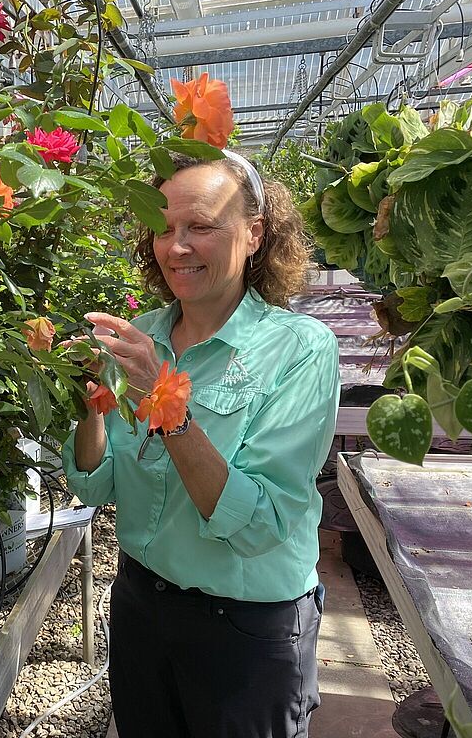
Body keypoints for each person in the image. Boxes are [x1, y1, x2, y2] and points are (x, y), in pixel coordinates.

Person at [62, 151, 340, 738]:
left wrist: (162, 400)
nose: (177, 246)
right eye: (164, 228)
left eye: (201, 226)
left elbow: (260, 523)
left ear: (254, 234)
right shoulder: (145, 337)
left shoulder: (300, 349)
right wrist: (90, 399)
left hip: (245, 628)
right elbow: (96, 482)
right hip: (141, 603)